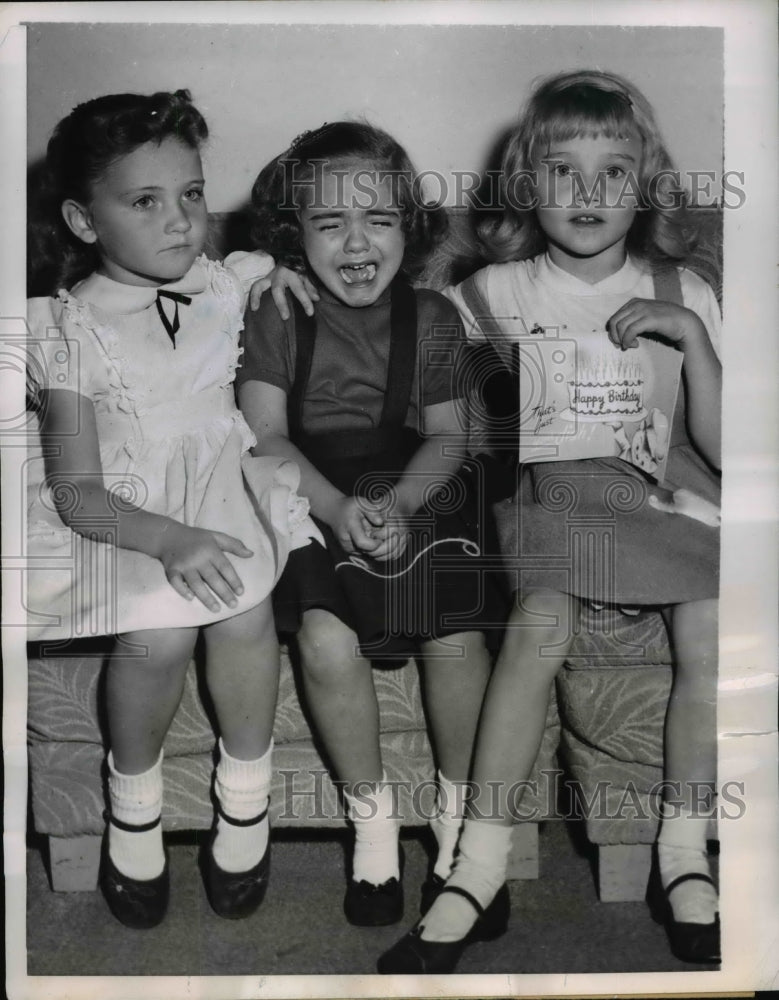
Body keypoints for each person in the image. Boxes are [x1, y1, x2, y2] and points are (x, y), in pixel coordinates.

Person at [379, 69, 722, 972]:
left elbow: (722, 449)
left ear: (644, 185)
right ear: (528, 184)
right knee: (537, 622)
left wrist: (690, 341)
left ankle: (684, 854)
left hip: (663, 489)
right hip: (553, 493)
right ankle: (477, 863)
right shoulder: (489, 292)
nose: (589, 193)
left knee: (713, 625)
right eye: (564, 170)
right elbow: (430, 407)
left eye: (614, 171)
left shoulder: (679, 287)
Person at [26, 89, 321, 929]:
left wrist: (286, 271)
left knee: (241, 615)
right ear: (85, 222)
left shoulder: (228, 284)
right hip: (122, 511)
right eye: (146, 201)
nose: (181, 221)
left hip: (219, 480)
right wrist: (170, 538)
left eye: (191, 193)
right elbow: (78, 492)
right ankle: (135, 802)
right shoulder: (66, 330)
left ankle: (245, 798)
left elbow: (263, 270)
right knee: (157, 633)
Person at [238, 121, 505, 927]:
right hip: (309, 484)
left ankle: (459, 831)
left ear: (408, 229)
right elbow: (265, 437)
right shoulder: (276, 310)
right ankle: (374, 825)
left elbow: (452, 435)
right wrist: (338, 509)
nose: (356, 243)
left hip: (416, 479)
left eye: (378, 221)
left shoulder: (430, 315)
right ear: (295, 238)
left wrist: (396, 506)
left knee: (458, 639)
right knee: (323, 639)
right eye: (329, 224)